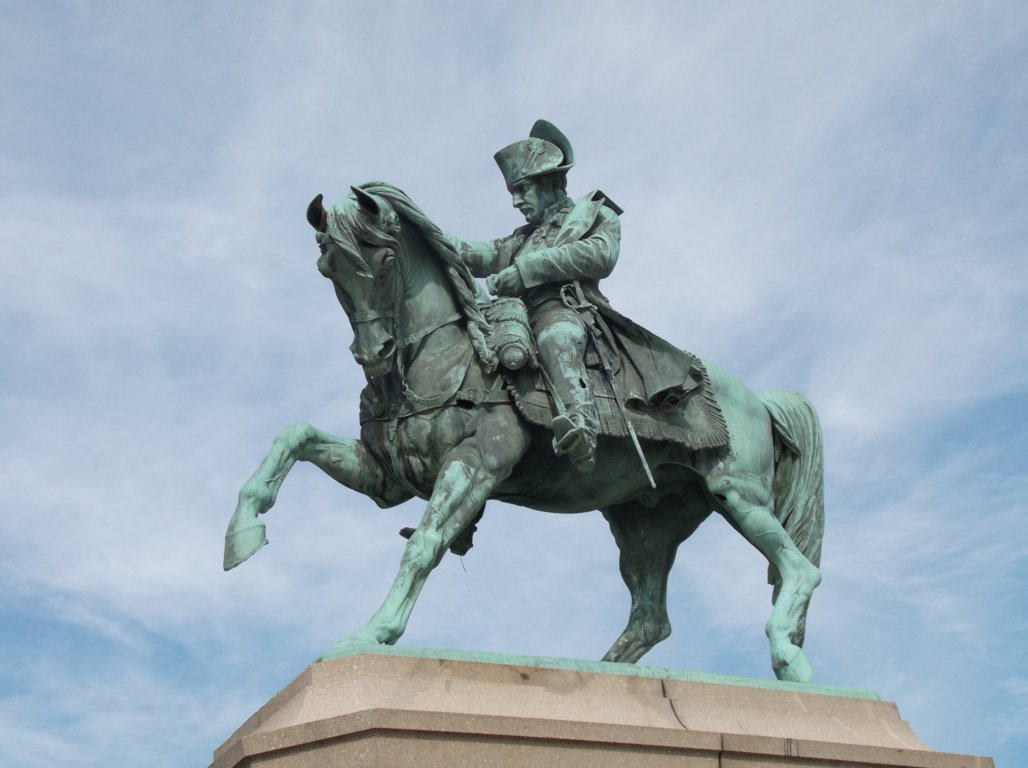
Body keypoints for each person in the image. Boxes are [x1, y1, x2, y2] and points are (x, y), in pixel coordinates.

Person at [446, 120, 623, 472]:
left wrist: (525, 270)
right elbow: (475, 253)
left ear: (551, 183)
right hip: (514, 319)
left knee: (556, 336)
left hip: (566, 309)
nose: (516, 202)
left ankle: (581, 426)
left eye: (523, 189)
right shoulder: (520, 239)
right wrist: (422, 233)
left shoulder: (594, 213)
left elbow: (601, 255)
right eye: (513, 192)